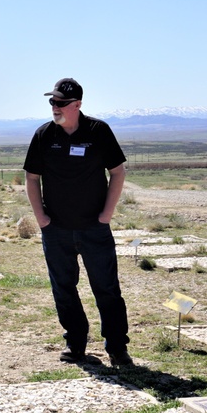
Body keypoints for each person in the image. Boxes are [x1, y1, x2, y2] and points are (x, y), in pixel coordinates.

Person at [24, 78, 132, 367]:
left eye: (60, 103)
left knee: (106, 288)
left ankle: (117, 347)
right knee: (63, 288)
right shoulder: (44, 135)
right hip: (56, 229)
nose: (54, 107)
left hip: (93, 228)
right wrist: (41, 218)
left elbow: (118, 172)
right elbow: (32, 178)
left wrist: (106, 215)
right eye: (52, 102)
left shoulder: (98, 131)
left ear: (77, 105)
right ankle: (76, 342)